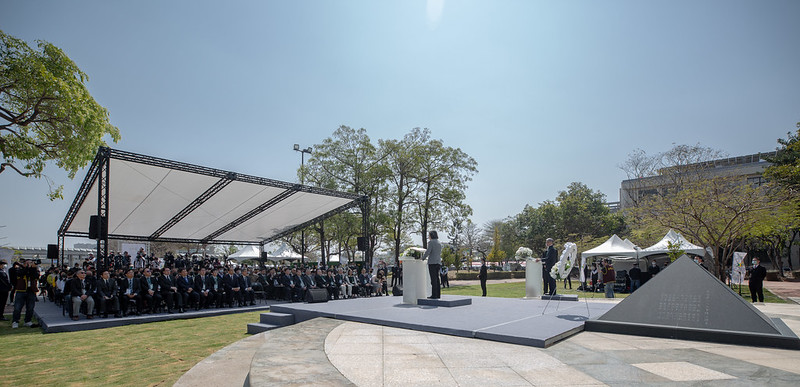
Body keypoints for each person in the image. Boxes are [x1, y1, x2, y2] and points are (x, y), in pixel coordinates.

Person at [10, 259, 40, 327]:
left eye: (31, 262)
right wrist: (26, 267)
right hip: (21, 290)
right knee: (17, 307)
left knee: (30, 307)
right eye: (28, 262)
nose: (30, 264)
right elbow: (21, 274)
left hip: (31, 290)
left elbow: (36, 276)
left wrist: (32, 268)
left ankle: (27, 320)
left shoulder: (34, 269)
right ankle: (15, 321)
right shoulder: (19, 269)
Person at [422, 230, 443, 299]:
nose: (428, 237)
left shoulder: (431, 242)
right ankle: (438, 294)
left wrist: (423, 258)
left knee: (433, 279)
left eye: (429, 235)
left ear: (431, 235)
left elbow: (428, 251)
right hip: (438, 262)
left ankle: (434, 295)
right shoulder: (439, 242)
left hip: (432, 262)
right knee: (437, 278)